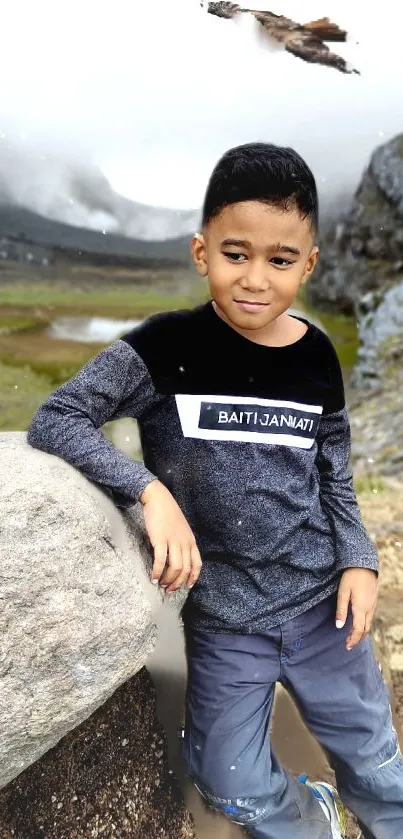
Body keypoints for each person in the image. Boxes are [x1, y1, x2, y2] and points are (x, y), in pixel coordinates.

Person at [27, 142, 403, 839]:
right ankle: (309, 818)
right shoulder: (162, 348)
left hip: (324, 611)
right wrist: (148, 490)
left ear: (308, 264)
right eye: (235, 253)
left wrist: (358, 555)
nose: (255, 278)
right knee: (229, 781)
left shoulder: (316, 356)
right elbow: (59, 417)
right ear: (202, 253)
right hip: (227, 620)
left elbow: (333, 470)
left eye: (280, 260)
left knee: (379, 769)